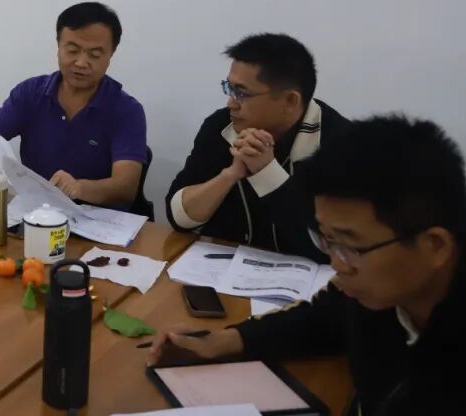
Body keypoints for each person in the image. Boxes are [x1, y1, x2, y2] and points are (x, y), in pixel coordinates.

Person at [148, 115, 465, 415]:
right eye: (327, 241)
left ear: (434, 245)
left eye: (350, 246)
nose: (337, 265)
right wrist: (224, 341)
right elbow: (328, 318)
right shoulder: (378, 293)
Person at [166, 33, 349, 260]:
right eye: (229, 88)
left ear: (290, 101)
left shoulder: (342, 144)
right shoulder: (221, 126)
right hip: (222, 270)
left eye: (241, 93)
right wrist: (230, 175)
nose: (231, 103)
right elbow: (179, 218)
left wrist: (267, 173)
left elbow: (333, 249)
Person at [0, 2, 146, 209]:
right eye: (72, 50)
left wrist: (80, 188)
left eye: (94, 55)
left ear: (111, 54)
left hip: (98, 219)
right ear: (58, 47)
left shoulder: (126, 110)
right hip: (38, 213)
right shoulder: (31, 93)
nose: (81, 62)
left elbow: (125, 187)